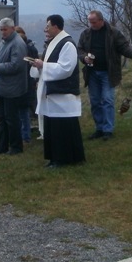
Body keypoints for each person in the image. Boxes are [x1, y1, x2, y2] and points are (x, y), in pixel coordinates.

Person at [77, 10, 132, 141]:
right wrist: (85, 58)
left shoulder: (113, 33)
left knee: (108, 100)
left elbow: (124, 48)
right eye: (90, 22)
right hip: (92, 73)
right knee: (95, 102)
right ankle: (99, 128)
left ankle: (108, 130)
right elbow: (80, 49)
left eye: (94, 22)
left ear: (101, 21)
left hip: (108, 73)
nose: (91, 25)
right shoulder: (85, 34)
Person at [31, 15, 85, 168]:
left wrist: (44, 66)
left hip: (64, 94)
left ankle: (65, 158)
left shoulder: (67, 44)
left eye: (47, 26)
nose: (45, 29)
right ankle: (55, 158)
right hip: (53, 94)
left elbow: (66, 69)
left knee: (63, 128)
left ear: (56, 27)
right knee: (53, 128)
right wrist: (39, 66)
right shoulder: (53, 43)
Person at [0, 18, 27, 156]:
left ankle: (16, 146)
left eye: (5, 29)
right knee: (2, 118)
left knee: (12, 119)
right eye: (1, 30)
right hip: (2, 87)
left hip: (13, 88)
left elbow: (16, 65)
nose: (2, 32)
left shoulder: (17, 43)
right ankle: (2, 146)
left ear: (12, 28)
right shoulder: (4, 42)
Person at [15, 26, 39, 144]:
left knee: (24, 111)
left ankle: (25, 136)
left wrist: (34, 81)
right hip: (15, 83)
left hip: (27, 82)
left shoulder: (30, 49)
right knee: (18, 112)